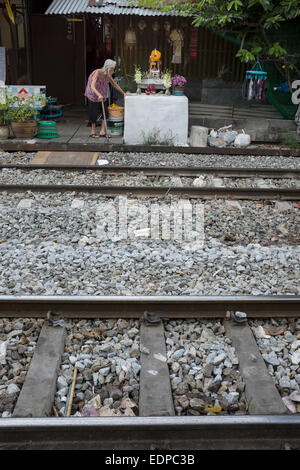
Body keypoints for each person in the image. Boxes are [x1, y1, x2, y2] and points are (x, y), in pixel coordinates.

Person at [84, 59, 128, 138]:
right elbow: (92, 86)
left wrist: (123, 93)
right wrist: (98, 95)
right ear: (108, 68)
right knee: (93, 113)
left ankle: (102, 131)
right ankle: (93, 132)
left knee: (105, 113)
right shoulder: (97, 73)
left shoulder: (108, 75)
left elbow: (114, 84)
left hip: (103, 95)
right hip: (93, 94)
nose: (113, 71)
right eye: (112, 69)